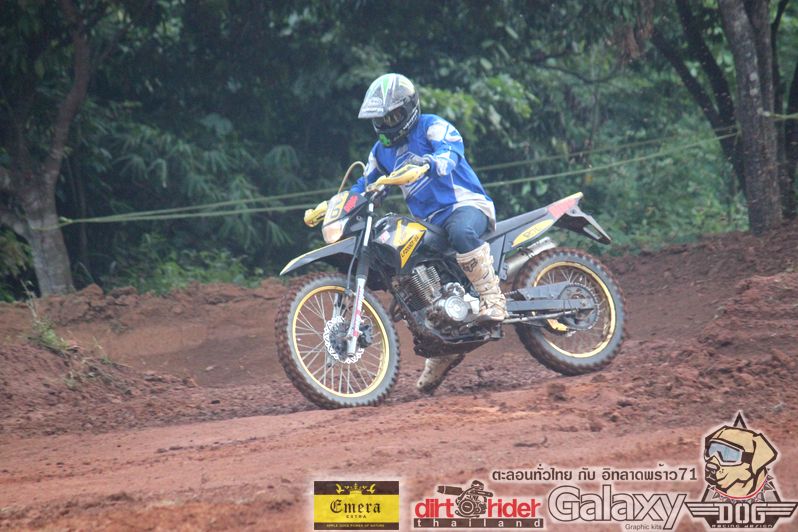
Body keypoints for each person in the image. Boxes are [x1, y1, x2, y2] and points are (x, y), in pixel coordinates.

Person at [352, 73, 507, 392]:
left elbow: (450, 153)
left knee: (462, 232)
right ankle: (444, 339)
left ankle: (494, 300)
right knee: (409, 275)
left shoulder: (432, 126)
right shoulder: (380, 152)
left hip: (464, 206)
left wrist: (429, 163)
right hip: (429, 223)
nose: (386, 124)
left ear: (409, 110)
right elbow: (364, 183)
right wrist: (338, 203)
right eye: (380, 119)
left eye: (392, 116)